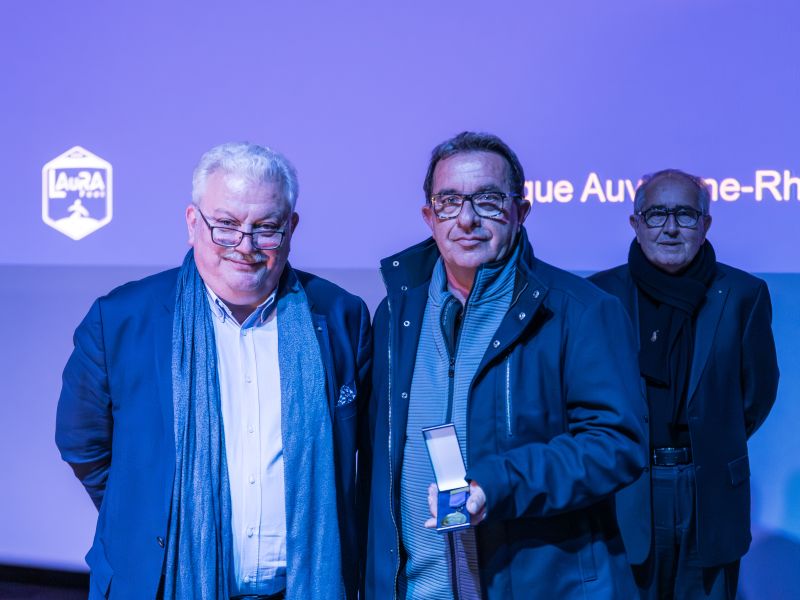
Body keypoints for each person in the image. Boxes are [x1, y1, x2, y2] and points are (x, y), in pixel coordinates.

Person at [56, 142, 371, 600]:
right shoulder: (121, 319)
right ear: (192, 223)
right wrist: (151, 511)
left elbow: (364, 454)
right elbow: (82, 443)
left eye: (266, 228)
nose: (245, 246)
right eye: (226, 226)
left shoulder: (341, 317)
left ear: (291, 228)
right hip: (162, 587)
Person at [365, 131, 648, 599]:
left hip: (542, 587)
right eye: (449, 202)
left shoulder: (580, 311)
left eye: (489, 201)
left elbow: (616, 445)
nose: (467, 219)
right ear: (429, 217)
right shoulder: (396, 315)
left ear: (521, 211)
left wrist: (498, 483)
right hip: (420, 589)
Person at [590, 169, 779, 599]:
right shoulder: (599, 296)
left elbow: (757, 394)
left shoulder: (743, 294)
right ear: (635, 222)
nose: (671, 228)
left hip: (708, 488)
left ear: (705, 224)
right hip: (626, 487)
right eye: (657, 214)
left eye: (685, 215)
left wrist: (713, 439)